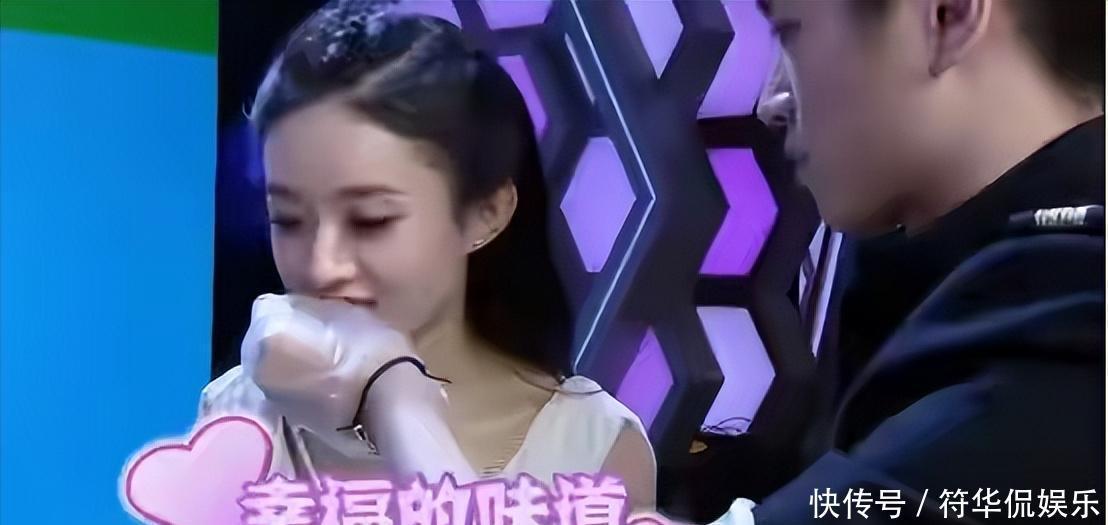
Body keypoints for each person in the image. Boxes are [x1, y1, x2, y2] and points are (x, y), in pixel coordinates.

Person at [196, 0, 656, 510]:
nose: (322, 266)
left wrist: (396, 399)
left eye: (371, 219)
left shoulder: (594, 447)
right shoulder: (237, 413)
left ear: (485, 213)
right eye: (287, 219)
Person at [696, 0, 1105, 523]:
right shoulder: (971, 294)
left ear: (949, 17)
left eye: (790, 33)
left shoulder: (1065, 343)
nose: (771, 102)